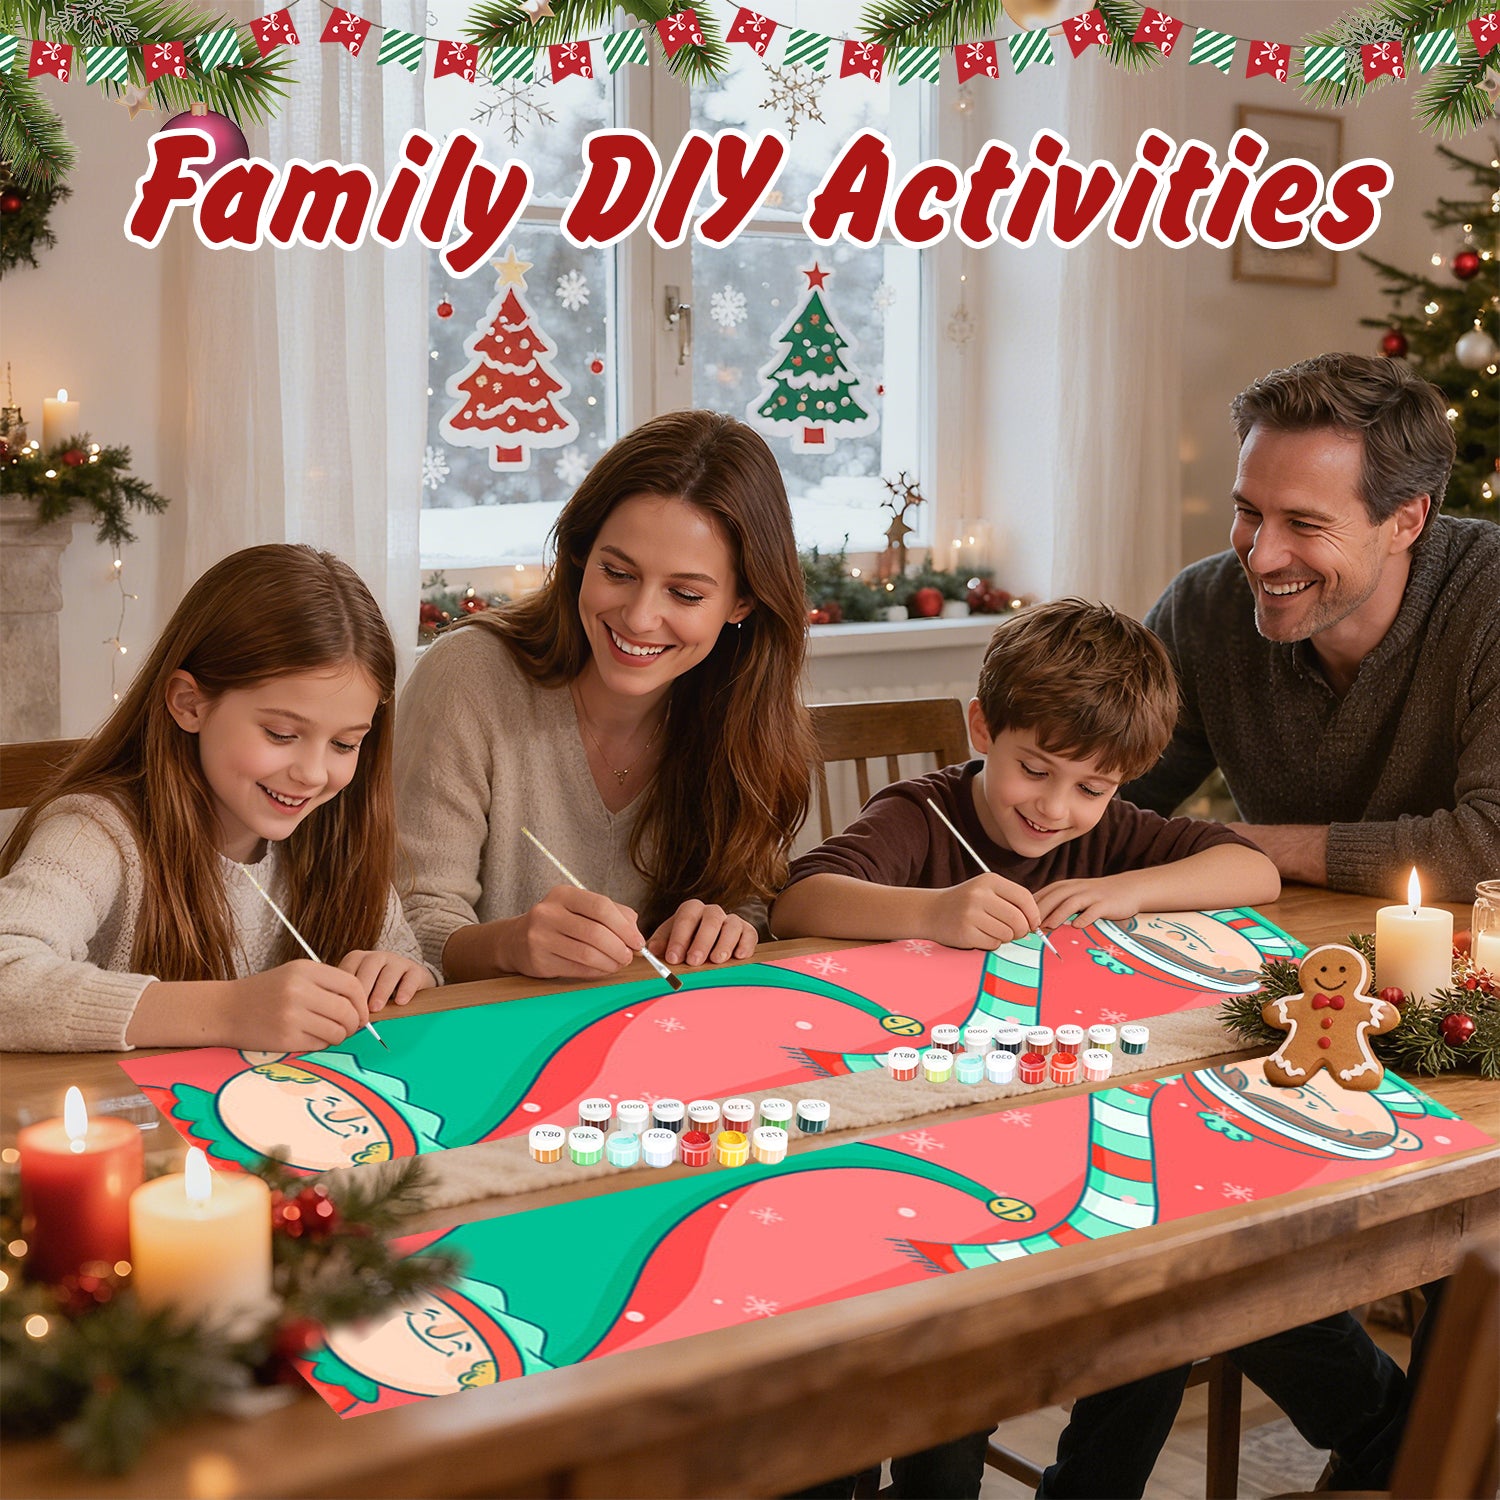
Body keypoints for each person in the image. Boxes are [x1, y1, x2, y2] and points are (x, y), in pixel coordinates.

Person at [771, 598, 1280, 1499]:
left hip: (1063, 1148)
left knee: (1158, 1307)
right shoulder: (921, 816)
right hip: (915, 1158)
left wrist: (1127, 891)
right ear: (983, 728)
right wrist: (930, 911)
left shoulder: (1108, 836)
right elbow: (802, 898)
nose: (1054, 808)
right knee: (952, 1380)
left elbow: (1253, 870)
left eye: (1093, 788)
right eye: (1034, 771)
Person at [395, 409, 815, 984]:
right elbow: (406, 925)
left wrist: (727, 926)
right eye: (617, 573)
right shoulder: (469, 676)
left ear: (742, 604)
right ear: (579, 557)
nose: (640, 617)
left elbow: (747, 902)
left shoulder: (745, 709)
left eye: (686, 594)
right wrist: (510, 945)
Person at [0, 544, 434, 1053]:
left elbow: (408, 963)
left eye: (344, 744)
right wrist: (229, 1011)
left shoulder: (338, 833)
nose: (313, 774)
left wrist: (406, 976)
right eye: (279, 733)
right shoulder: (94, 833)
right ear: (190, 704)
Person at [1122, 351, 1499, 901]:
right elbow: (1101, 789)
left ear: (1405, 521)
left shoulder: (1487, 600)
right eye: (1249, 511)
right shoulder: (1202, 609)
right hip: (1276, 959)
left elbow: (1491, 845)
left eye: (1304, 523)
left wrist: (1238, 845)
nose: (1262, 556)